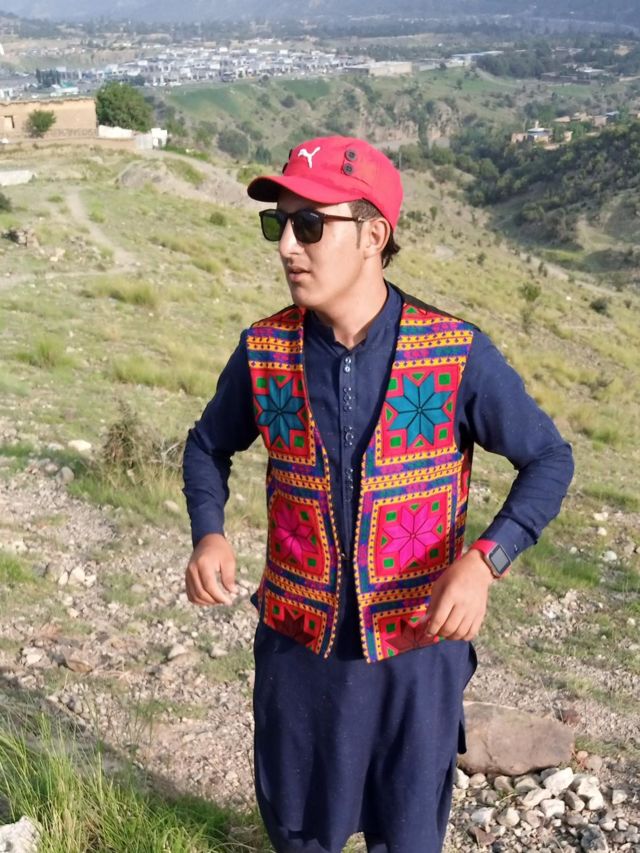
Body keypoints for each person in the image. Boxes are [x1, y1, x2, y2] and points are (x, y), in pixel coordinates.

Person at [182, 136, 574, 853]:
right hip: (299, 651)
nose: (287, 247)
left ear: (373, 235)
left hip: (415, 657)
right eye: (278, 224)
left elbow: (548, 457)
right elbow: (208, 444)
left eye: (309, 225)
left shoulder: (453, 353)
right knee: (300, 832)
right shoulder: (264, 352)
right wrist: (209, 530)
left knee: (408, 836)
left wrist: (485, 561)